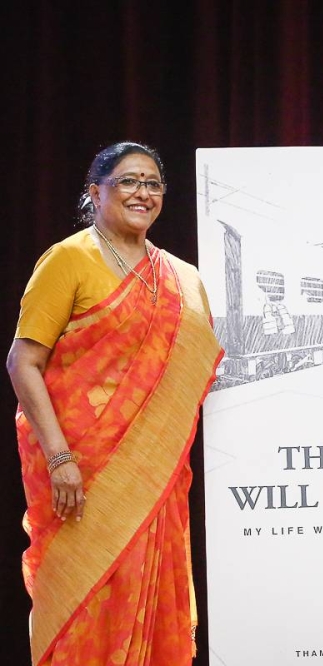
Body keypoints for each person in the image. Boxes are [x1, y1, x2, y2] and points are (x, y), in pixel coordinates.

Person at [6, 142, 222, 666]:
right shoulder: (68, 260)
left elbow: (189, 376)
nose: (142, 193)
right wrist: (60, 459)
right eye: (128, 181)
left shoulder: (184, 279)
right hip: (80, 476)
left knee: (149, 601)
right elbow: (22, 362)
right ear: (95, 190)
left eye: (152, 183)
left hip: (154, 480)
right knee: (85, 604)